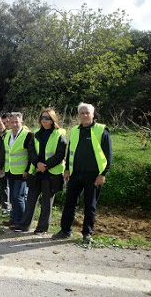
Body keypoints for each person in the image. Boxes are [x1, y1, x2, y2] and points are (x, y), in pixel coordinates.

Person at [52, 102, 112, 243]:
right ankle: (65, 230)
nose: (84, 115)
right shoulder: (75, 130)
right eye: (82, 113)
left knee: (90, 205)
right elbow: (70, 151)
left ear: (93, 114)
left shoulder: (102, 130)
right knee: (69, 203)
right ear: (78, 115)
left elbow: (108, 154)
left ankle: (87, 233)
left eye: (87, 113)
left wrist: (103, 174)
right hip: (75, 173)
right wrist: (67, 169)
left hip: (94, 175)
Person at [15, 108, 67, 234]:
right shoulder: (37, 133)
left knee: (46, 203)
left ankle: (42, 228)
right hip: (36, 172)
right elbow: (31, 151)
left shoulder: (59, 134)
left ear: (52, 120)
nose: (44, 120)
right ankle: (24, 225)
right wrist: (37, 163)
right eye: (42, 117)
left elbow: (60, 154)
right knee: (31, 200)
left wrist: (46, 165)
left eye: (47, 118)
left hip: (51, 173)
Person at [2, 112, 33, 229]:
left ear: (21, 122)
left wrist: (27, 170)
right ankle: (14, 218)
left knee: (18, 196)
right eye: (12, 122)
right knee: (13, 197)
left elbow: (31, 154)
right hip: (10, 170)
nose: (14, 124)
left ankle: (22, 222)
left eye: (17, 122)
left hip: (22, 172)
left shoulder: (28, 135)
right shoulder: (8, 135)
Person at [0, 117, 10, 214]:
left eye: (0, 124)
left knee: (6, 186)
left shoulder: (8, 134)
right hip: (1, 165)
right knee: (3, 185)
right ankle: (5, 206)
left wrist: (1, 166)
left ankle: (6, 207)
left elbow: (4, 152)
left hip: (7, 165)